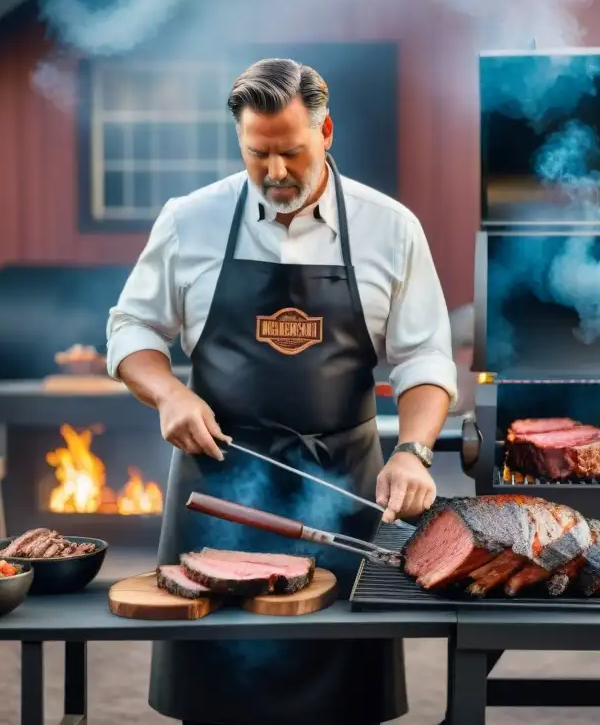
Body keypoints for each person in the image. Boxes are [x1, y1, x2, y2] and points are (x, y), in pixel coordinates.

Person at [106, 58, 457, 725]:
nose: (274, 173)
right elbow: (131, 328)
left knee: (344, 700)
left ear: (326, 131)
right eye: (257, 153)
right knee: (216, 696)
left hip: (344, 496)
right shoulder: (191, 219)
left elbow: (424, 361)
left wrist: (412, 450)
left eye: (291, 151)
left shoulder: (390, 228)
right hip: (218, 496)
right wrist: (168, 395)